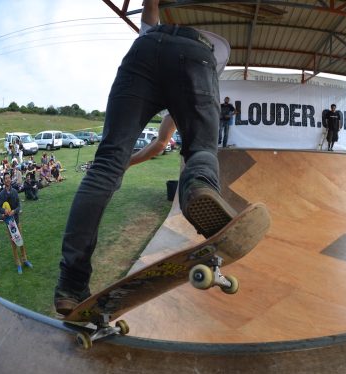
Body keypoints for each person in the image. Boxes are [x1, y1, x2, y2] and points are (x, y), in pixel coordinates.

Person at [53, 0, 236, 316]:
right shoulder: (209, 66)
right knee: (202, 149)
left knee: (105, 163)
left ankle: (70, 284)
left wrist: (121, 164)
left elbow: (159, 142)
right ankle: (199, 187)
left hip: (144, 51)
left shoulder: (152, 35)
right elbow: (165, 142)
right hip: (198, 55)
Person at [0, 172, 33, 274]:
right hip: (9, 223)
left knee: (20, 241)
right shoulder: (2, 194)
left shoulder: (15, 192)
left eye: (9, 178)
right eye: (6, 178)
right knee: (13, 244)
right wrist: (5, 212)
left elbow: (19, 206)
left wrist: (14, 211)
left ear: (10, 179)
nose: (7, 180)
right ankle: (18, 264)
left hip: (16, 221)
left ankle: (25, 260)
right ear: (4, 181)